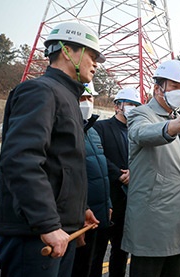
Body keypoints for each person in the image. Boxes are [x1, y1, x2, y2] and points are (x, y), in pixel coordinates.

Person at [0, 21, 104, 277]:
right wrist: (48, 224)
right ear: (67, 51)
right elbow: (22, 160)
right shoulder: (40, 91)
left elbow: (61, 166)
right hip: (35, 236)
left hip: (57, 232)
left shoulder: (67, 96)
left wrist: (77, 212)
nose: (97, 63)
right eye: (92, 54)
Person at [121, 59, 180, 277]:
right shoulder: (142, 114)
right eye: (174, 87)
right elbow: (142, 133)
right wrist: (171, 127)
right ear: (158, 89)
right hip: (152, 221)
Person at [93, 87, 142, 277]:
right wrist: (118, 174)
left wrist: (135, 173)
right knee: (96, 252)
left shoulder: (137, 131)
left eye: (136, 105)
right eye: (130, 104)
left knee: (121, 252)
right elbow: (97, 156)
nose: (133, 108)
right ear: (117, 106)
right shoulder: (101, 127)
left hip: (129, 202)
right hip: (107, 199)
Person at [72, 83, 112, 277]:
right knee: (79, 268)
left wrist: (108, 204)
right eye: (81, 99)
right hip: (80, 218)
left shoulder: (93, 132)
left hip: (99, 216)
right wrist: (81, 209)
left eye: (90, 98)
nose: (86, 103)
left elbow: (101, 172)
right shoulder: (67, 131)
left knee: (94, 265)